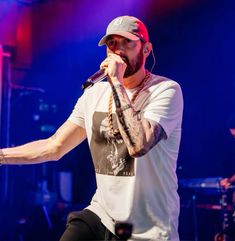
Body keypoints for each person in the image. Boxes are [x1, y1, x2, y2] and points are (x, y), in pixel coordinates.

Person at [0, 15, 183, 241]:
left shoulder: (166, 90)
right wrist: (2, 156)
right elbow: (54, 147)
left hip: (149, 230)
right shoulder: (94, 94)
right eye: (112, 43)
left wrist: (116, 81)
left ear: (146, 49)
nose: (118, 50)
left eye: (127, 43)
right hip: (103, 216)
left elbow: (139, 144)